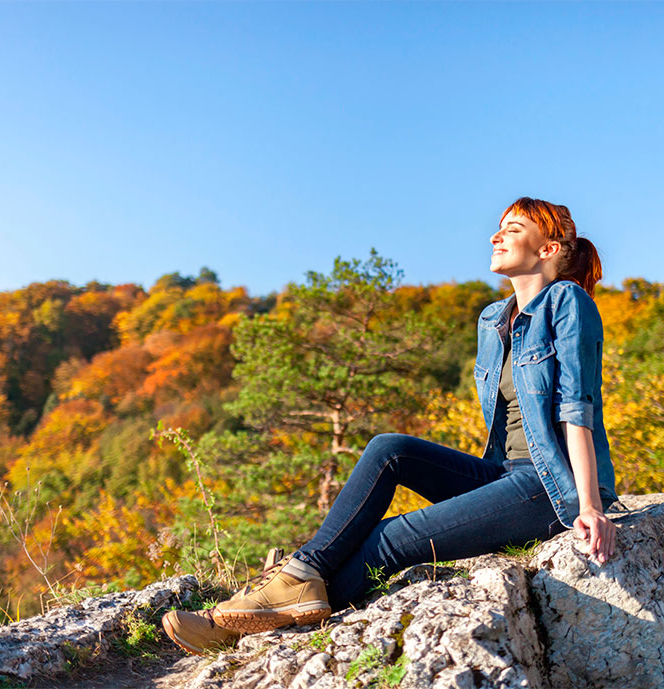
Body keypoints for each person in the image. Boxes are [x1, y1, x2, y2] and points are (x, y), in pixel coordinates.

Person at [162, 197, 619, 652]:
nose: (496, 236)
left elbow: (574, 409)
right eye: (499, 228)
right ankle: (299, 577)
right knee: (389, 448)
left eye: (514, 229)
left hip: (549, 485)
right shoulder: (494, 319)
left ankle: (243, 624)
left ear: (549, 250)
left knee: (391, 538)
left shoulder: (567, 300)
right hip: (504, 474)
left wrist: (590, 504)